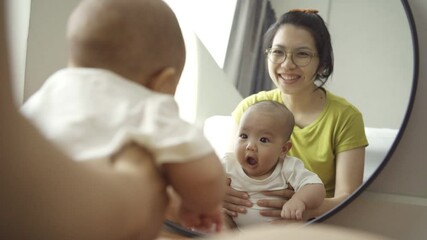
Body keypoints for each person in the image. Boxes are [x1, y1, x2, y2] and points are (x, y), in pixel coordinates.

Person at [20, 0, 225, 233]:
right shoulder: (148, 103)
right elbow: (206, 178)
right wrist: (198, 205)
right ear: (163, 81)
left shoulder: (49, 91)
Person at [223, 9, 368, 222]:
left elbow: (348, 200)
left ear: (323, 63)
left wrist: (301, 205)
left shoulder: (345, 118)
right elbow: (230, 171)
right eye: (278, 52)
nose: (287, 64)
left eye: (302, 54)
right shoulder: (250, 107)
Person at [222, 101, 325, 229]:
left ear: (283, 149)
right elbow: (200, 182)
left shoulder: (288, 167)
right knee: (218, 220)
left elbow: (316, 187)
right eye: (244, 136)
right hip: (234, 228)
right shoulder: (228, 164)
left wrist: (299, 200)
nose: (250, 146)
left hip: (275, 230)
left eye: (263, 140)